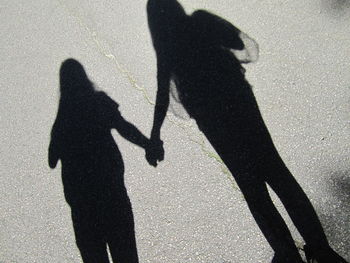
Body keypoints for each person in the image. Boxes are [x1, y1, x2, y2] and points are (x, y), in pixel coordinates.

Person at [146, 1, 348, 262]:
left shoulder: (168, 48)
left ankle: (286, 251)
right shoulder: (200, 21)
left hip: (211, 118)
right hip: (239, 102)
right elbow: (240, 44)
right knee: (276, 171)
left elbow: (164, 92)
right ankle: (319, 246)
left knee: (251, 185)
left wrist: (155, 136)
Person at [49, 59, 148, 263]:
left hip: (83, 207)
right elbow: (125, 128)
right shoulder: (99, 102)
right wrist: (149, 145)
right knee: (126, 255)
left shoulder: (64, 119)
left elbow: (51, 160)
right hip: (113, 197)